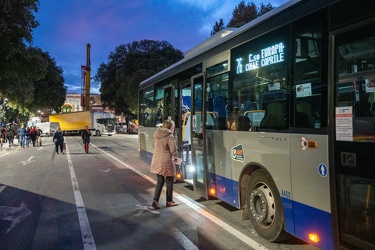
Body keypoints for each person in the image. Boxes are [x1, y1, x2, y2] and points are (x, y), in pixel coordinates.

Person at [150, 119, 178, 209]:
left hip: (157, 160)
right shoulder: (170, 136)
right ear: (171, 127)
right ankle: (169, 201)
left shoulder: (156, 134)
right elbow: (173, 150)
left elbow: (153, 145)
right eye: (173, 127)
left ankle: (155, 200)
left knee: (160, 181)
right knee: (169, 180)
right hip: (166, 161)